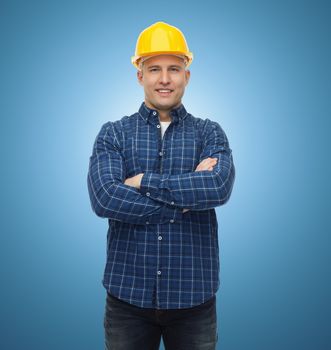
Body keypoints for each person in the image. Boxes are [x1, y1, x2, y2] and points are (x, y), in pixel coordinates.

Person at [87, 21, 235, 350]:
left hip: (193, 301)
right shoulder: (114, 133)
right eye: (154, 69)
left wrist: (141, 182)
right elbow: (105, 197)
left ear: (187, 75)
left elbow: (218, 188)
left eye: (174, 69)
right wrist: (184, 199)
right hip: (127, 301)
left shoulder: (209, 132)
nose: (164, 79)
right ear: (140, 75)